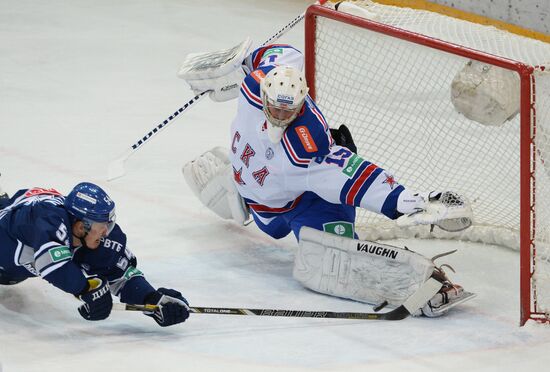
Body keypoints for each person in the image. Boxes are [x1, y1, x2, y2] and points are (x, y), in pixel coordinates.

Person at [179, 42, 475, 317]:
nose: (281, 115)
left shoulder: (306, 150)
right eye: (276, 107)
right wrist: (236, 62)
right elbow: (282, 54)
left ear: (302, 101)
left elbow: (358, 177)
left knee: (336, 260)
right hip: (266, 205)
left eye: (289, 109)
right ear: (264, 92)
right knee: (238, 190)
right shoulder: (254, 84)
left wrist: (413, 201)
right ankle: (240, 194)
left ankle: (426, 283)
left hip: (311, 204)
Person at [0, 181, 189, 327]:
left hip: (11, 269)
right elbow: (52, 265)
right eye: (103, 227)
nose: (107, 232)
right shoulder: (47, 219)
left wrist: (152, 299)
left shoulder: (93, 236)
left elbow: (121, 275)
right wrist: (85, 288)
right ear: (82, 226)